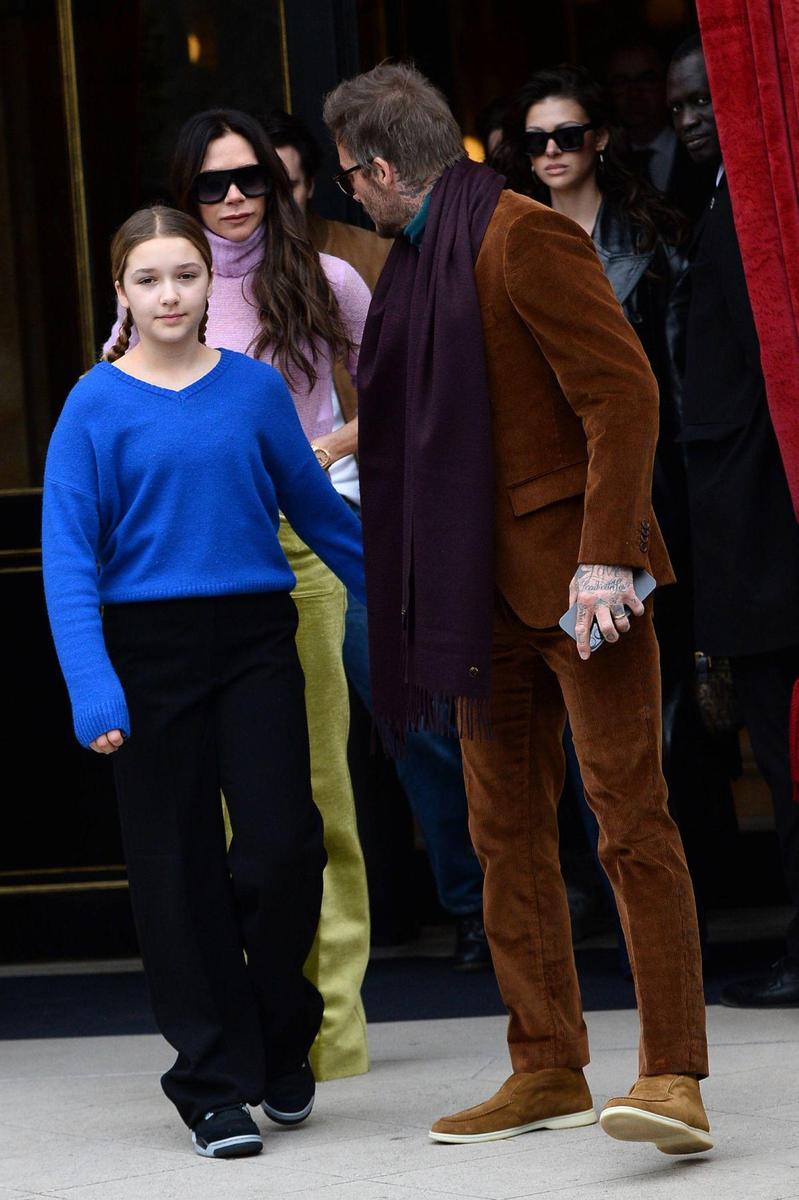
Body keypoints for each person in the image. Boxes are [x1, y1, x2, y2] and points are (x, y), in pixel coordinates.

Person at [324, 62, 712, 1155]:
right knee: (502, 836)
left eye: (352, 175)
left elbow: (620, 391)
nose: (352, 196)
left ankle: (673, 1071)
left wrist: (605, 558)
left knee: (629, 821)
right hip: (470, 599)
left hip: (578, 588)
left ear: (386, 166)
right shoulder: (411, 268)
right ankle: (544, 1064)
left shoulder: (522, 235)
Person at [42, 206, 367, 1157]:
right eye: (149, 280)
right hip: (146, 654)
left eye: (185, 275)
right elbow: (68, 561)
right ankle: (211, 1082)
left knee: (281, 849)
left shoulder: (255, 390)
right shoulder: (92, 406)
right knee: (174, 873)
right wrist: (94, 689)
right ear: (122, 293)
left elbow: (319, 515)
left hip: (256, 641)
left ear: (206, 285)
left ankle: (281, 1029)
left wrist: (405, 611)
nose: (170, 295)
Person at [494, 64, 736, 955]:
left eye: (567, 134)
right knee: (556, 734)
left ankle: (688, 915)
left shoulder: (655, 239)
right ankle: (595, 913)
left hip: (640, 493)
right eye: (535, 139)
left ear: (599, 137)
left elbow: (666, 383)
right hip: (540, 513)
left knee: (657, 724)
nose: (551, 152)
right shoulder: (503, 239)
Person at [166, 108, 373, 1079]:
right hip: (201, 553)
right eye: (212, 185)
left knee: (318, 795)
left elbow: (393, 395)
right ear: (185, 195)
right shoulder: (167, 289)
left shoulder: (324, 276)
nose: (234, 198)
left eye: (247, 177)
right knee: (221, 815)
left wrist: (323, 447)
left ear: (278, 181)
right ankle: (249, 1023)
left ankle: (329, 1035)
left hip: (301, 542)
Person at [263, 107, 490, 971]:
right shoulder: (191, 276)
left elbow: (410, 384)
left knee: (414, 718)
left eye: (281, 180)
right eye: (243, 182)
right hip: (247, 534)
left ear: (313, 181)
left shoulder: (353, 259)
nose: (260, 198)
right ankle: (301, 943)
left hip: (352, 513)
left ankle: (471, 903)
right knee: (281, 740)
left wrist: (326, 447)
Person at [668, 35, 799, 1007]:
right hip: (736, 531)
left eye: (707, 99)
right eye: (678, 106)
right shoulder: (723, 206)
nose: (690, 119)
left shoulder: (762, 214)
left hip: (763, 535)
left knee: (784, 753)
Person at [605, 39, 715, 222]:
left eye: (646, 79)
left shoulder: (704, 145)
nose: (634, 93)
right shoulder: (605, 162)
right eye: (621, 82)